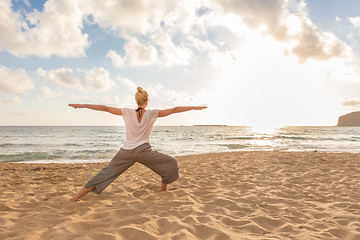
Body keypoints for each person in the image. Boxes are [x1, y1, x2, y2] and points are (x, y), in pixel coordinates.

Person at [69, 87, 207, 202]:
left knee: (105, 173)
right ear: (147, 101)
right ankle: (163, 189)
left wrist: (83, 105)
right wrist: (194, 107)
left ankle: (75, 198)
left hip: (126, 152)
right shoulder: (153, 113)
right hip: (143, 151)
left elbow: (105, 108)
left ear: (137, 101)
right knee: (170, 163)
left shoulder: (127, 112)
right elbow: (175, 109)